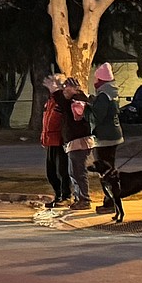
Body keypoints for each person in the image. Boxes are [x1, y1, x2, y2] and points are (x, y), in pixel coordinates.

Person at [52, 77, 94, 210]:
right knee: (73, 172)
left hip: (79, 142)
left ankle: (84, 199)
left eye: (66, 87)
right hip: (73, 142)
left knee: (78, 171)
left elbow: (66, 106)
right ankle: (79, 198)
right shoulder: (72, 100)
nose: (64, 90)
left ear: (74, 87)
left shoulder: (78, 100)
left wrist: (56, 91)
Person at [90, 63, 124, 214]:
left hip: (104, 137)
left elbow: (98, 116)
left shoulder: (103, 95)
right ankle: (112, 201)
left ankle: (109, 201)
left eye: (96, 78)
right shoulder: (112, 92)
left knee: (104, 171)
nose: (94, 81)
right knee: (111, 169)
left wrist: (87, 108)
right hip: (114, 135)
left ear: (101, 79)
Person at [40, 76, 71, 207]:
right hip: (50, 141)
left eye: (56, 83)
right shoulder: (51, 101)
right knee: (51, 172)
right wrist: (43, 137)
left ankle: (66, 196)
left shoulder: (63, 100)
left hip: (60, 140)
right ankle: (58, 195)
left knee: (62, 170)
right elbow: (47, 121)